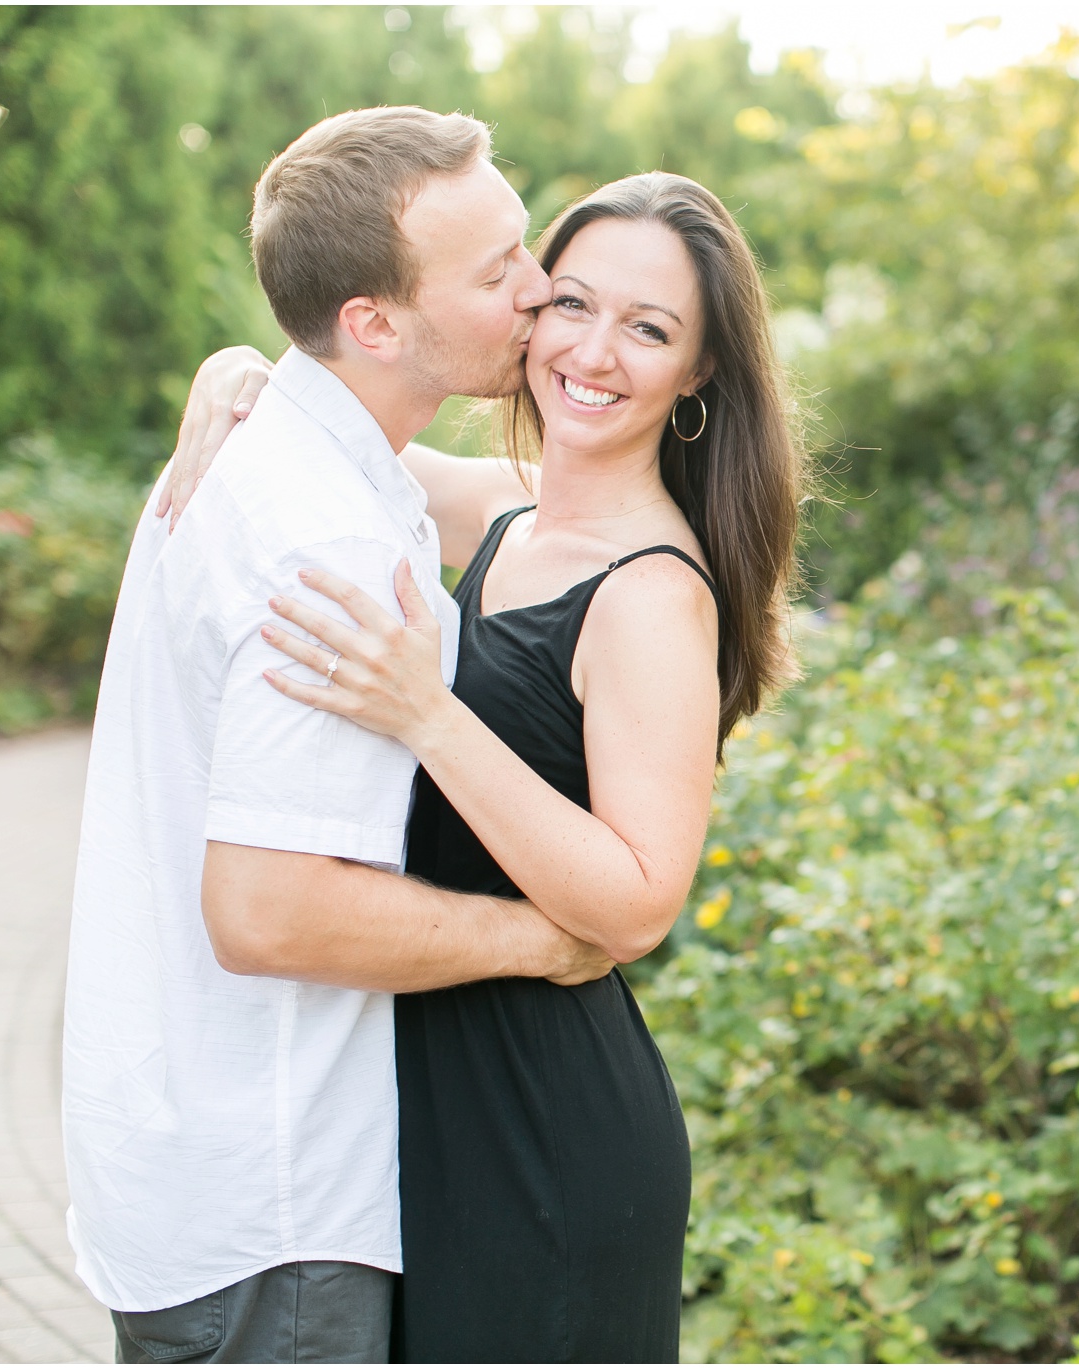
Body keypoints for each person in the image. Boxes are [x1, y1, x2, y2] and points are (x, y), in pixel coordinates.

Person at [166, 172, 806, 1360]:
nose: (593, 351)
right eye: (571, 302)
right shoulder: (513, 512)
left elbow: (638, 899)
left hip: (545, 1128)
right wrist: (233, 374)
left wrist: (430, 718)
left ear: (698, 373)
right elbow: (338, 429)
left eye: (649, 328)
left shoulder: (654, 596)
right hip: (434, 1111)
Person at [62, 107, 621, 1364]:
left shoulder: (290, 454)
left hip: (195, 1167)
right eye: (497, 274)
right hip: (273, 1201)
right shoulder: (324, 537)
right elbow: (267, 912)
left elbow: (564, 512)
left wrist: (235, 361)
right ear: (371, 321)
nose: (538, 294)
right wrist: (541, 937)